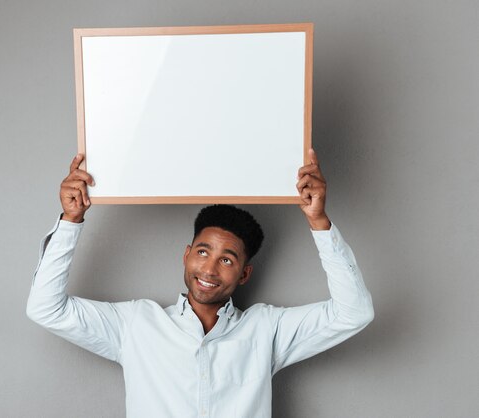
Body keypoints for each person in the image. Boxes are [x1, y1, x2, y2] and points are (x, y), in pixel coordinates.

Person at [26, 150, 374, 417]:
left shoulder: (267, 329)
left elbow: (353, 313)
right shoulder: (136, 324)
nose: (209, 269)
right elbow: (45, 309)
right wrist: (71, 220)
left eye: (227, 260)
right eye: (203, 252)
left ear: (244, 274)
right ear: (187, 255)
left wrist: (319, 221)